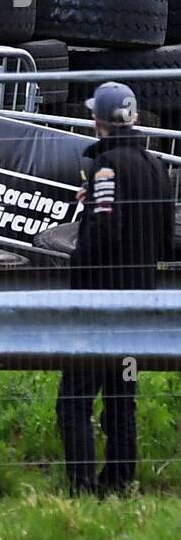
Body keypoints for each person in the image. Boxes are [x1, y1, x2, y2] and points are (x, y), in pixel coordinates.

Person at [57, 81, 173, 495]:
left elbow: (104, 231)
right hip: (137, 300)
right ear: (135, 117)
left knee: (74, 400)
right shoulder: (157, 167)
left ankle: (82, 488)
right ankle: (120, 482)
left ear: (96, 121)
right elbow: (166, 239)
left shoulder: (106, 168)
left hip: (99, 305)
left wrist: (80, 275)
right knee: (122, 397)